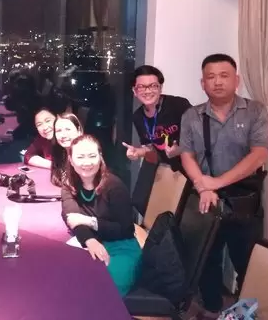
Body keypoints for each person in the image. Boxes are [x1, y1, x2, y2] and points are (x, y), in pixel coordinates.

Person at [179, 53, 268, 320]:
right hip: (206, 198)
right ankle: (212, 309)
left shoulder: (255, 111)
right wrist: (203, 186)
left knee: (247, 260)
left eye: (224, 75)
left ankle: (245, 315)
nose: (217, 82)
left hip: (244, 199)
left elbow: (259, 155)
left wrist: (217, 183)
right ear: (202, 83)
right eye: (211, 77)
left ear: (236, 80)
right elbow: (187, 155)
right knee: (206, 258)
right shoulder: (192, 115)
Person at [61, 134, 141, 296]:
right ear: (71, 160)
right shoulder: (69, 184)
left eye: (92, 156)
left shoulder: (114, 186)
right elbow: (72, 218)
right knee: (67, 282)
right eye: (80, 157)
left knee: (104, 292)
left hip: (121, 246)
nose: (87, 162)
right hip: (91, 242)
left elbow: (125, 229)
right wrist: (90, 240)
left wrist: (90, 221)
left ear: (100, 157)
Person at [124, 65, 192, 214]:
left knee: (183, 213)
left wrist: (180, 149)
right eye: (141, 87)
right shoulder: (138, 117)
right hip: (166, 167)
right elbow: (150, 146)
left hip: (191, 166)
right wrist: (138, 152)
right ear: (134, 91)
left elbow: (199, 136)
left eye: (153, 86)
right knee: (141, 202)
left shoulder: (179, 105)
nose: (148, 91)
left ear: (160, 88)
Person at [50, 113, 83, 186]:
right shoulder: (60, 154)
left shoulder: (86, 157)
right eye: (59, 131)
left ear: (79, 131)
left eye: (68, 129)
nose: (63, 135)